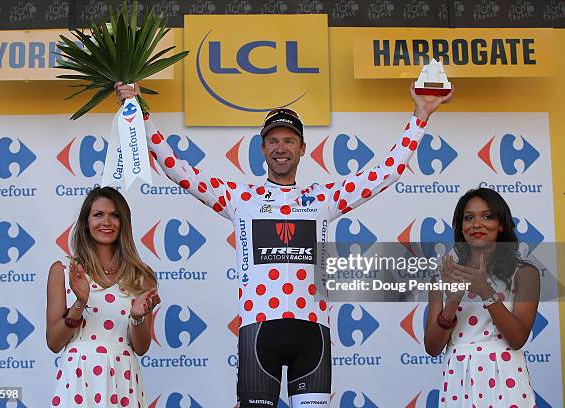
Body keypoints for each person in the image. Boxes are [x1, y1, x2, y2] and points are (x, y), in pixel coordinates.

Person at [116, 82, 453, 407]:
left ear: (302, 149)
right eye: (273, 141)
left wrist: (420, 115)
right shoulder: (241, 199)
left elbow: (385, 173)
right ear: (262, 148)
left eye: (290, 141)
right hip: (258, 330)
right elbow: (178, 169)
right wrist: (140, 113)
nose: (281, 148)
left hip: (313, 332)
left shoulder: (322, 198)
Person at [424, 188, 540, 407]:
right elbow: (432, 348)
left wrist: (486, 292)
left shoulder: (525, 273)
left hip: (506, 377)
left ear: (501, 224)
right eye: (468, 218)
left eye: (487, 216)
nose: (476, 224)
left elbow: (517, 339)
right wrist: (452, 304)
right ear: (460, 227)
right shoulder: (443, 276)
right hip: (458, 379)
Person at [46, 186, 160, 408]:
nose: (106, 222)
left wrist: (136, 317)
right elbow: (54, 342)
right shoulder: (62, 270)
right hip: (78, 378)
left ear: (124, 223)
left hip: (123, 380)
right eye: (98, 214)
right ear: (86, 222)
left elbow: (141, 347)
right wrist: (80, 303)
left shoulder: (142, 276)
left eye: (115, 215)